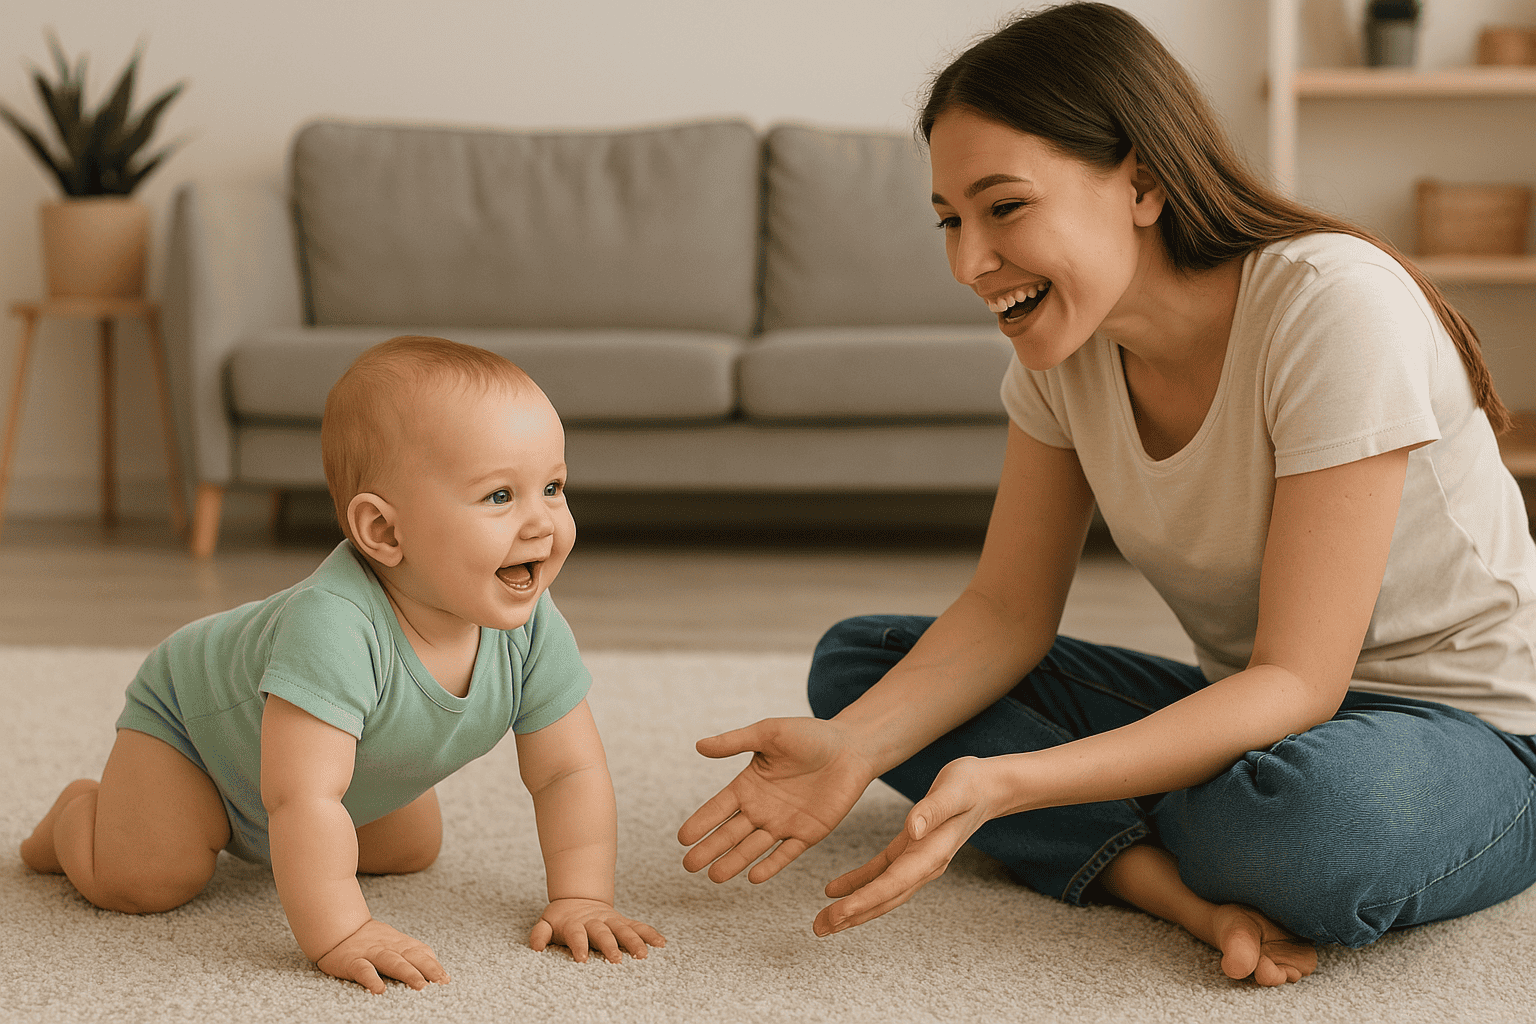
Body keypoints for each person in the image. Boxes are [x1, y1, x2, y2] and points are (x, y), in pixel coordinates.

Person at [678, 2, 1536, 987]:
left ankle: (1162, 830)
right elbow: (1005, 610)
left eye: (1004, 207)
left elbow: (1302, 681)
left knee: (1296, 831)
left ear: (1144, 180)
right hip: (1257, 714)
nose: (968, 263)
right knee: (861, 672)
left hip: (1467, 732)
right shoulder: (1065, 351)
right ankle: (1167, 884)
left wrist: (1011, 779)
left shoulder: (1330, 303)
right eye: (951, 221)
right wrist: (853, 747)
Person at [20, 335, 664, 993]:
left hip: (336, 768)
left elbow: (568, 769)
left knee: (409, 850)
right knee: (145, 878)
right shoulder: (334, 625)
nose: (542, 523)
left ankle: (284, 842)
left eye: (552, 487)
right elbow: (300, 796)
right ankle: (77, 815)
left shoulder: (529, 624)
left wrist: (582, 897)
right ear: (385, 532)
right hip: (196, 739)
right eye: (500, 496)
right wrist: (342, 931)